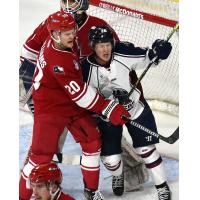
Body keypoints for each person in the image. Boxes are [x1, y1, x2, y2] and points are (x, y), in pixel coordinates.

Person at [19, 12, 130, 200]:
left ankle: (91, 191)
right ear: (54, 34)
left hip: (68, 102)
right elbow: (80, 95)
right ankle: (22, 195)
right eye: (66, 32)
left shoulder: (62, 39)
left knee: (93, 141)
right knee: (40, 156)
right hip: (50, 109)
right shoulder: (58, 61)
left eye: (72, 30)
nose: (72, 35)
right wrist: (108, 108)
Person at [19, 0, 120, 163]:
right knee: (47, 143)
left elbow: (117, 60)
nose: (67, 4)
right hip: (59, 96)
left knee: (110, 132)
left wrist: (113, 89)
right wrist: (32, 95)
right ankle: (40, 178)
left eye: (72, 1)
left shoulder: (99, 26)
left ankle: (129, 172)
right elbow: (28, 53)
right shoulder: (53, 24)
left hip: (89, 92)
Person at [81, 25, 172, 199]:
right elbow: (84, 97)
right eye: (100, 45)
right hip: (107, 117)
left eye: (107, 44)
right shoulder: (85, 69)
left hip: (135, 109)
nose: (105, 48)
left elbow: (148, 58)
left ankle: (162, 186)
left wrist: (158, 51)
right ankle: (118, 175)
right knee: (111, 160)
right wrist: (109, 102)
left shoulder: (122, 52)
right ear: (93, 46)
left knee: (147, 149)